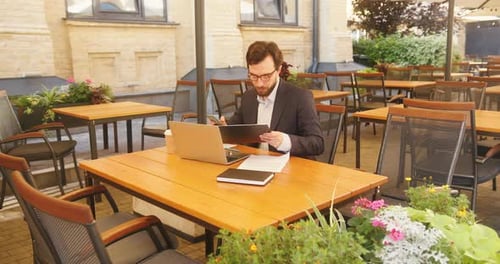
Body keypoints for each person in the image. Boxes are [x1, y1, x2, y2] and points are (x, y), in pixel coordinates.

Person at [220, 41, 324, 159]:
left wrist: (286, 141)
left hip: (290, 169)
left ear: (278, 70)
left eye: (266, 76)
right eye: (253, 76)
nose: (259, 84)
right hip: (254, 164)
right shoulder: (248, 97)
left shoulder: (300, 98)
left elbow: (317, 143)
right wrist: (224, 129)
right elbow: (235, 129)